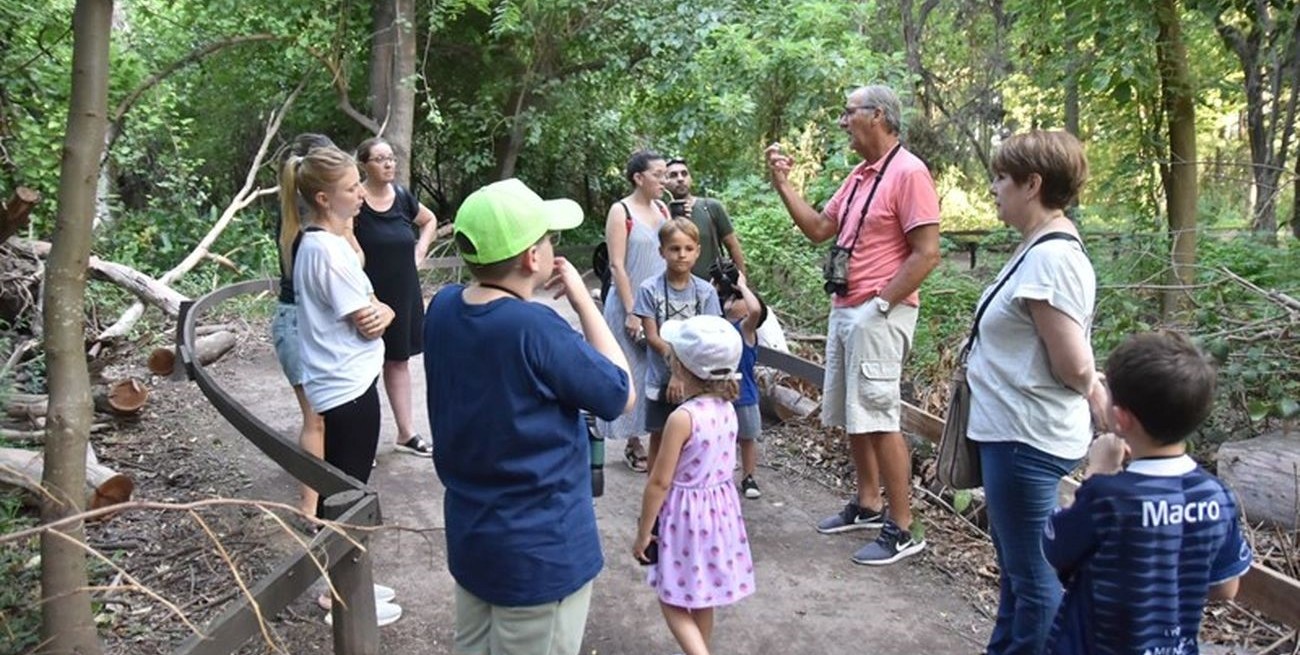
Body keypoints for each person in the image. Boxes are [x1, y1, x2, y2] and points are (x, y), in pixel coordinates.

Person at [424, 178, 634, 655]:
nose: (550, 246)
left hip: (474, 537)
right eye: (547, 238)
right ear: (531, 258)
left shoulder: (442, 308)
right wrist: (585, 302)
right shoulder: (533, 327)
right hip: (540, 552)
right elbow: (620, 393)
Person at [764, 84, 941, 565]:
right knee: (853, 413)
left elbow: (927, 254)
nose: (843, 121)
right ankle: (868, 503)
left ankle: (904, 528)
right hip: (848, 309)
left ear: (878, 115)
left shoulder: (910, 173)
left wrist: (880, 305)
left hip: (880, 311)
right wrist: (783, 185)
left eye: (849, 113)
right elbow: (821, 228)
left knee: (880, 415)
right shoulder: (862, 175)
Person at [964, 130, 1109, 655]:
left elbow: (1072, 362)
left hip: (1025, 438)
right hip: (1012, 430)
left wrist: (1095, 390)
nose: (994, 187)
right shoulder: (1038, 248)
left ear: (1033, 184)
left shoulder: (1052, 258)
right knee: (1018, 572)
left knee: (1034, 577)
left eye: (1002, 177)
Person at [1043, 331, 1253, 655]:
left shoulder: (1107, 497)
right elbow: (1226, 587)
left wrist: (1097, 471)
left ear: (1121, 417)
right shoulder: (1216, 496)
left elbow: (1056, 549)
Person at [281, 145, 402, 625]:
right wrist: (387, 311)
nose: (360, 195)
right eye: (352, 188)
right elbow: (369, 319)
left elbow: (374, 304)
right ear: (324, 198)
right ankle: (340, 597)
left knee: (346, 488)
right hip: (347, 387)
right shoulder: (328, 252)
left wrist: (383, 308)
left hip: (344, 380)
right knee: (347, 496)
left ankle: (349, 578)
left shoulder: (318, 243)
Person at [633, 315, 755, 655]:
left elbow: (659, 481)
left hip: (686, 517)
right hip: (720, 514)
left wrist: (644, 530)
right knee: (702, 597)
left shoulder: (682, 418)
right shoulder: (727, 409)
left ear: (683, 367)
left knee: (670, 596)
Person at [354, 137, 439, 457]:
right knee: (363, 366)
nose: (388, 164)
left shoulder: (402, 197)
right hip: (367, 295)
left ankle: (406, 433)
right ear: (364, 164)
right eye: (380, 159)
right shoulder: (356, 200)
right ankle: (358, 445)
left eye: (391, 158)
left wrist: (420, 250)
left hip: (403, 292)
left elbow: (428, 221)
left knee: (398, 361)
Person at [271, 132, 341, 518]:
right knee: (315, 418)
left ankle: (325, 489)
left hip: (305, 319)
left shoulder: (301, 217)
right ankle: (309, 506)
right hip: (297, 322)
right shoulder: (310, 225)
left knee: (324, 415)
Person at [599, 150, 669, 473]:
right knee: (633, 371)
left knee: (658, 370)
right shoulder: (621, 210)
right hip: (628, 303)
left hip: (660, 306)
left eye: (665, 174)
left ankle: (659, 437)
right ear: (638, 178)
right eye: (658, 174)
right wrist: (631, 311)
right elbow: (617, 264)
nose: (664, 180)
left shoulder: (664, 209)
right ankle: (632, 442)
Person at [635, 218, 722, 471]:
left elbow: (709, 337)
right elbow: (653, 337)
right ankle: (655, 503)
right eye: (674, 248)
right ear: (662, 251)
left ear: (697, 251)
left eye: (687, 248)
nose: (681, 255)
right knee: (660, 437)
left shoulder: (706, 292)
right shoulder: (649, 289)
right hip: (661, 379)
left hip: (697, 381)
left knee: (694, 439)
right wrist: (675, 371)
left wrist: (686, 375)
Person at [718, 272, 766, 499]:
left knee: (747, 438)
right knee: (721, 437)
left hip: (744, 394)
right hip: (719, 394)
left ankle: (749, 476)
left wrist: (743, 285)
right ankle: (722, 473)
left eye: (739, 299)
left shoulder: (746, 329)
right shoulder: (719, 326)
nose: (733, 300)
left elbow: (756, 310)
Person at [663, 157, 747, 279]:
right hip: (673, 289)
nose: (680, 179)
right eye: (673, 175)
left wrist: (741, 284)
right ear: (664, 181)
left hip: (713, 287)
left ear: (691, 178)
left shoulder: (711, 207)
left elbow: (733, 245)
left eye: (684, 174)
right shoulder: (660, 213)